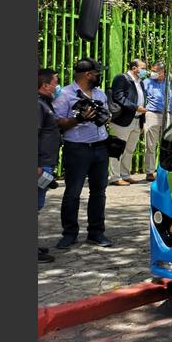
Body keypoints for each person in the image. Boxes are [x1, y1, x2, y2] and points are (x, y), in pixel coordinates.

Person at [53, 58, 113, 249]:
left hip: (100, 147)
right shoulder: (65, 94)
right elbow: (57, 122)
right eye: (97, 73)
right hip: (77, 149)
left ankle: (96, 232)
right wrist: (78, 119)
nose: (99, 76)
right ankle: (69, 233)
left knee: (99, 192)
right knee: (73, 192)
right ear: (88, 75)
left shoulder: (100, 94)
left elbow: (106, 116)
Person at [108, 59, 148, 186]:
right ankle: (114, 177)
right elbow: (118, 96)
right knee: (117, 149)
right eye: (142, 68)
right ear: (134, 68)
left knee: (129, 150)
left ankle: (125, 174)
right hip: (123, 120)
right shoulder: (122, 78)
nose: (144, 71)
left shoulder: (140, 82)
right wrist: (135, 107)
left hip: (137, 120)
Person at [38, 68, 61, 263]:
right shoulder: (38, 105)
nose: (57, 86)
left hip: (45, 163)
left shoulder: (45, 103)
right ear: (45, 85)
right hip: (40, 165)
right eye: (55, 82)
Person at [143, 61, 167, 181]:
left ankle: (164, 170)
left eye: (155, 71)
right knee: (150, 145)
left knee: (166, 144)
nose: (152, 73)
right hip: (152, 113)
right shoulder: (147, 82)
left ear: (162, 72)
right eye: (152, 70)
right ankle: (150, 171)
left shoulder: (170, 83)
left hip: (167, 115)